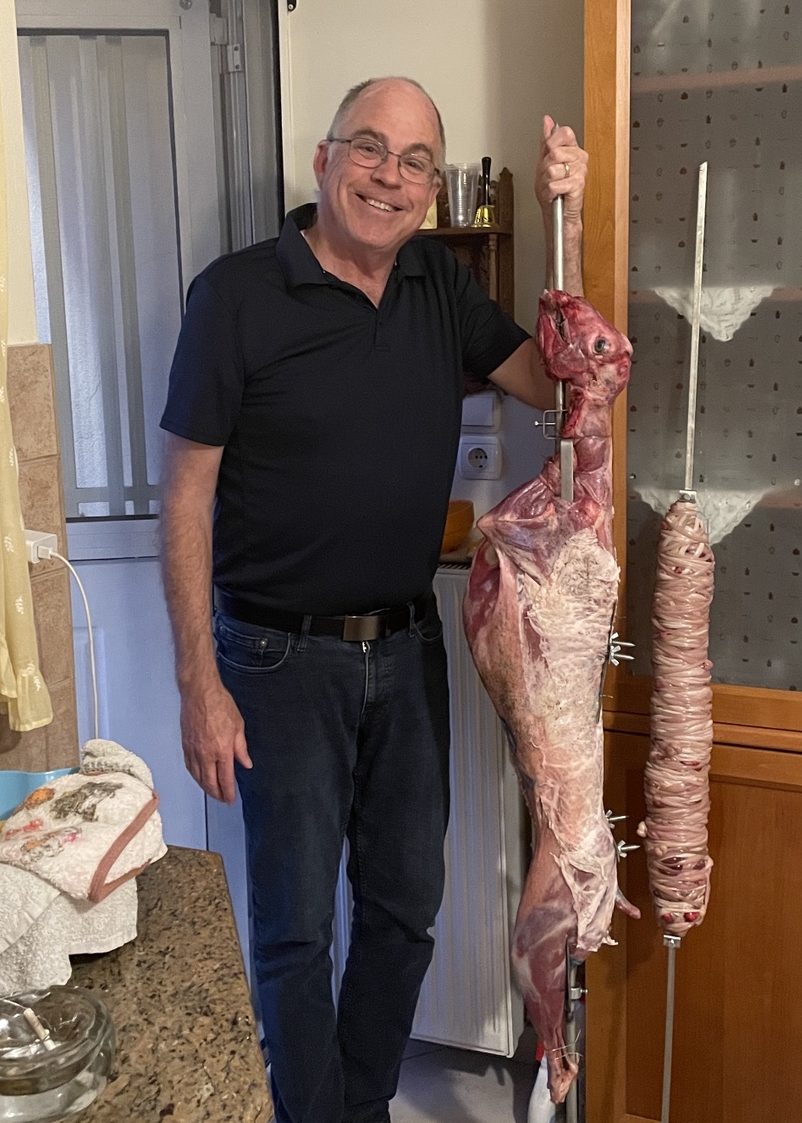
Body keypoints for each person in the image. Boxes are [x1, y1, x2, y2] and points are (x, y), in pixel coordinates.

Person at [159, 75, 588, 1123]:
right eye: (368, 148)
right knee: (296, 929)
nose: (388, 177)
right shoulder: (234, 296)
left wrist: (564, 217)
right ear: (323, 159)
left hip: (405, 651)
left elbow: (552, 382)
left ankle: (353, 1106)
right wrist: (198, 684)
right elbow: (186, 494)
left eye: (414, 163)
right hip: (275, 660)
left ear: (432, 191)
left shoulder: (438, 284)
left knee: (403, 912)